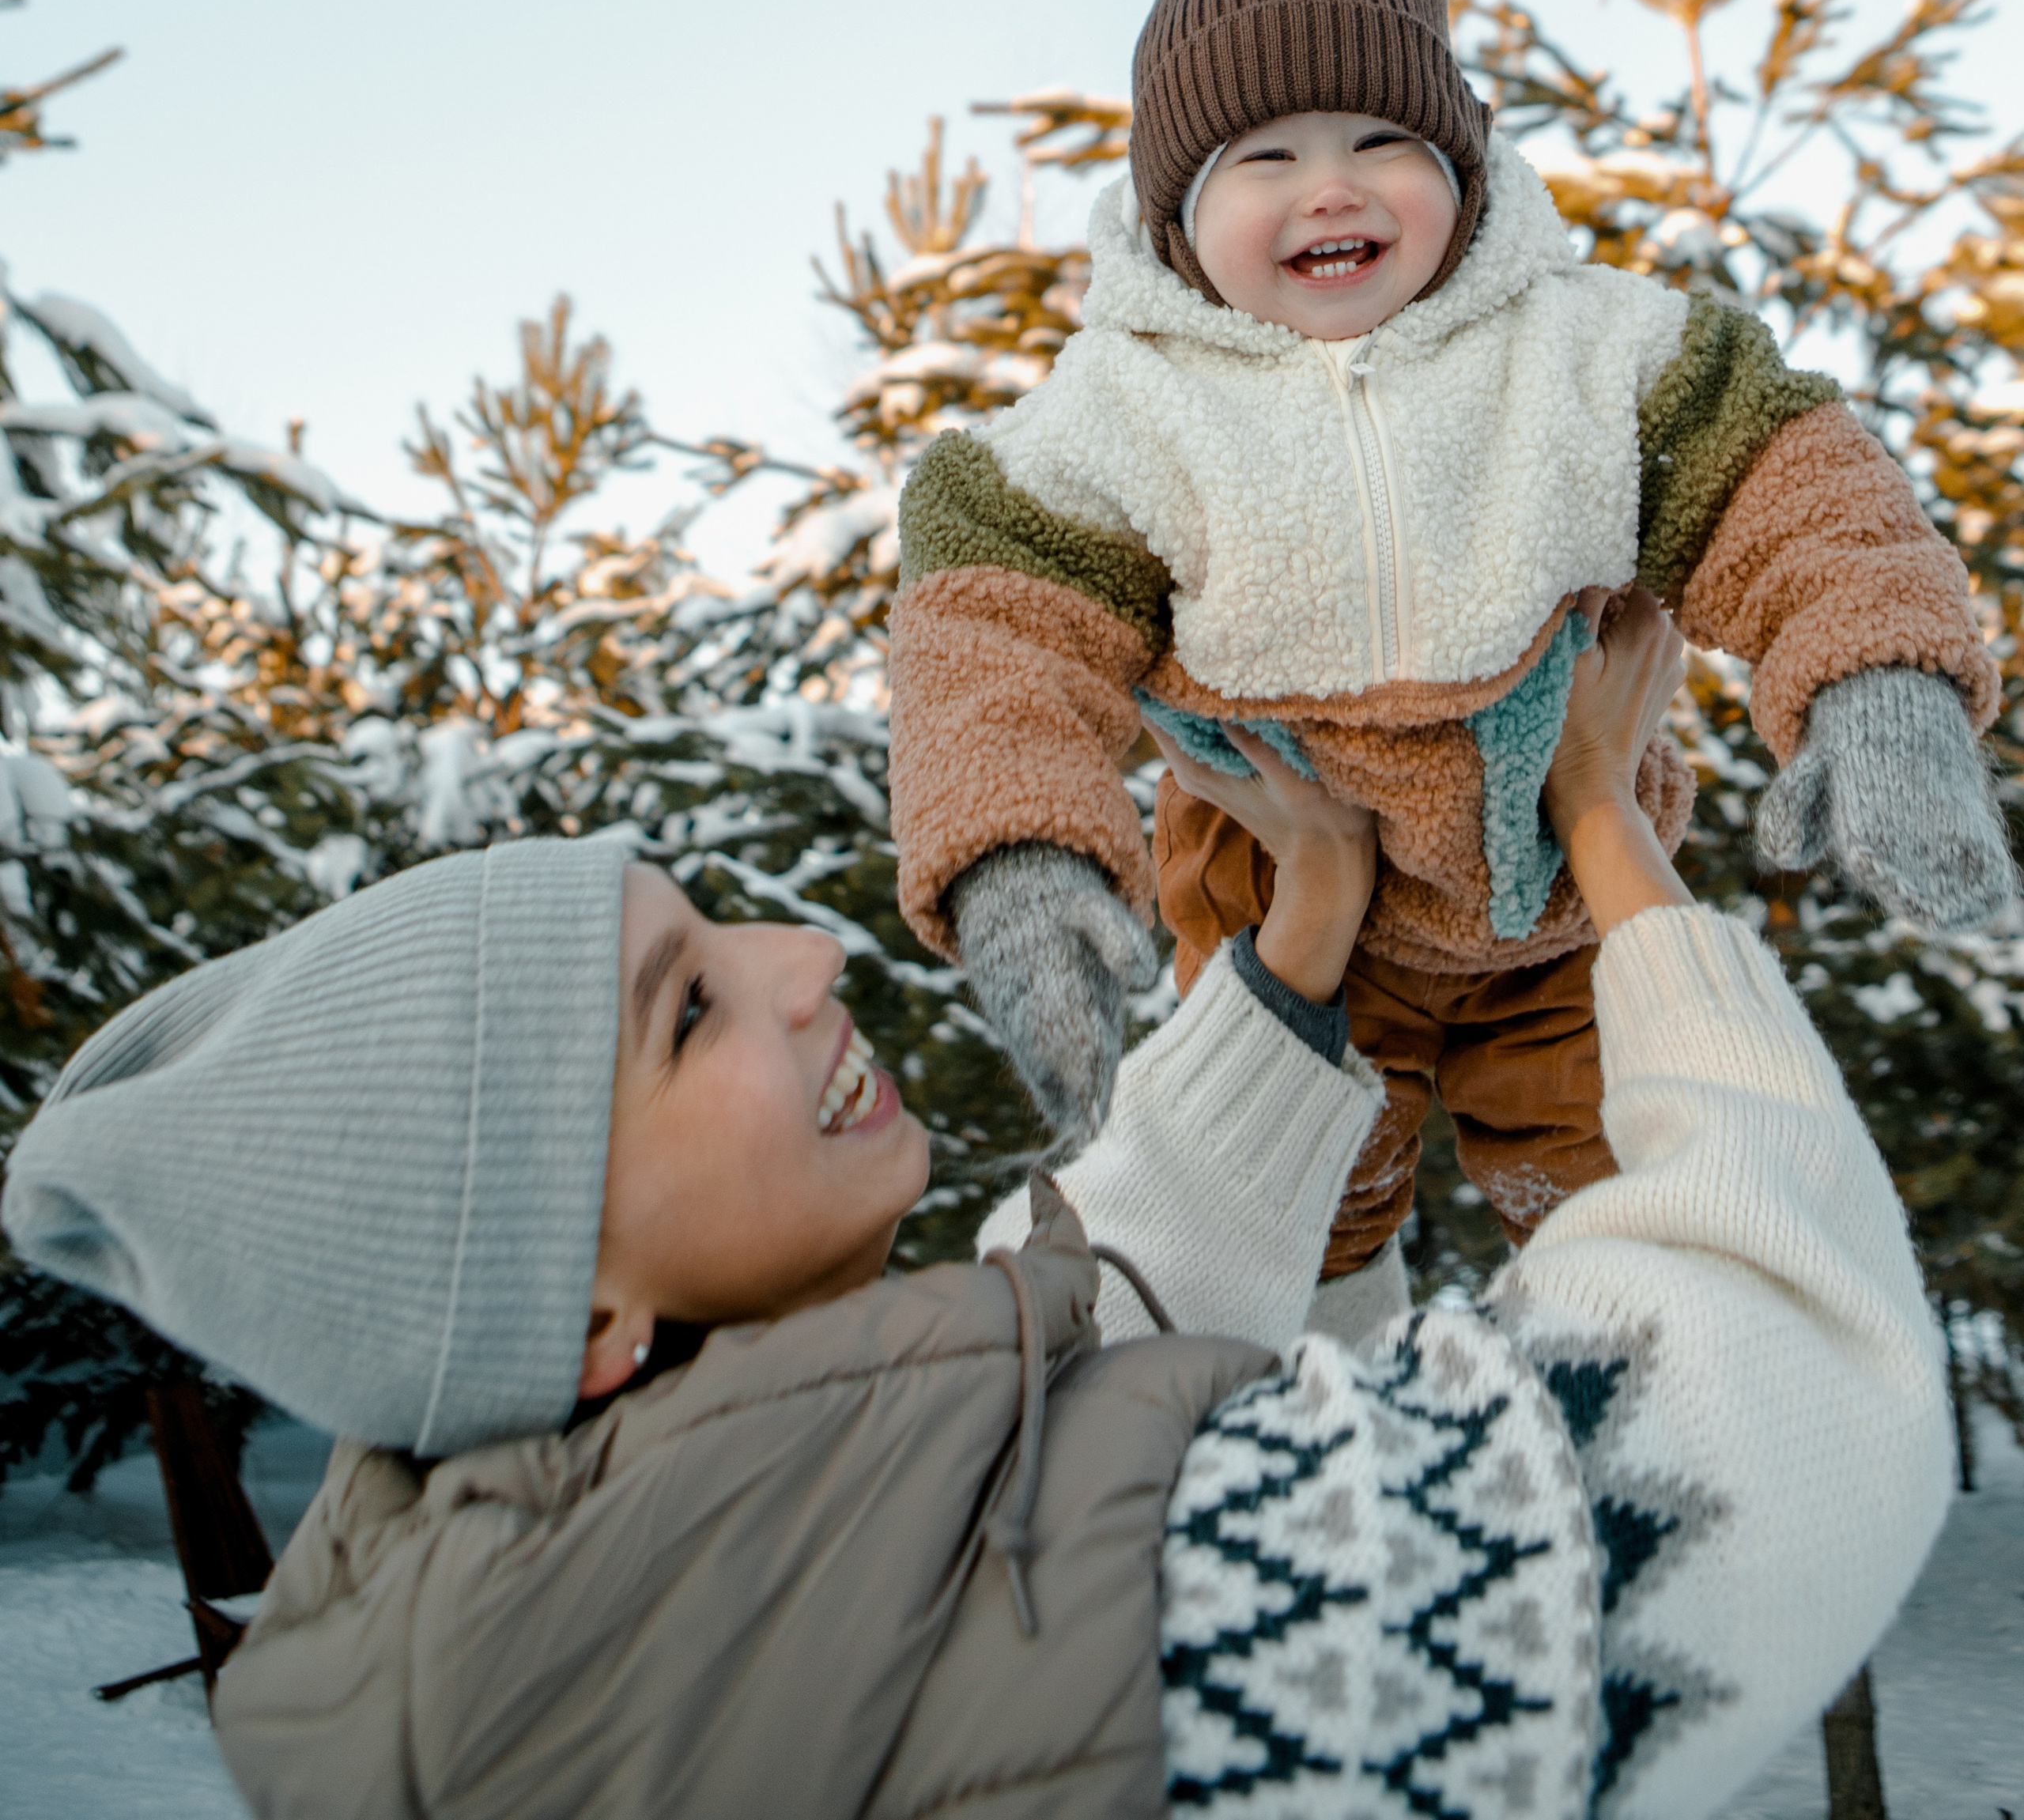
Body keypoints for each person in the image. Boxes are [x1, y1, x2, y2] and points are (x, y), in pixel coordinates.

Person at [2, 594, 1951, 1817]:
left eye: (712, 921)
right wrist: (1604, 826)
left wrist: (1308, 928)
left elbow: (1047, 1320)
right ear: (576, 1314)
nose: (807, 954)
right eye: (685, 1011)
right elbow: (1791, 1398)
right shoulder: (1125, 1636)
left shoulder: (500, 1540)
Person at [886, 0, 2011, 1322]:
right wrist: (1018, 856)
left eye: (1380, 136)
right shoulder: (1130, 408)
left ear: (1465, 169)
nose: (1332, 185)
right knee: (1305, 1210)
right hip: (1282, 903)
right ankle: (1333, 1404)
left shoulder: (1576, 348)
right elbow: (994, 627)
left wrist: (1880, 679)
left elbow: (1786, 482)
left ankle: (1637, 1396)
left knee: (1622, 1183)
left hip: (1554, 908)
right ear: (1175, 218)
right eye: (1263, 157)